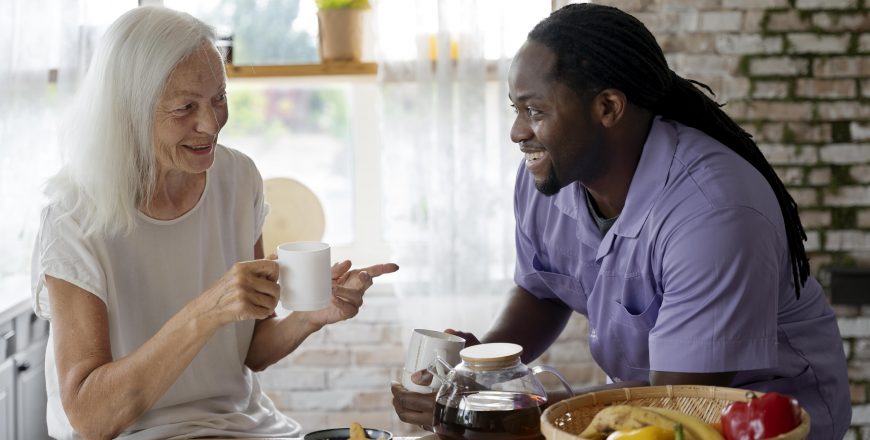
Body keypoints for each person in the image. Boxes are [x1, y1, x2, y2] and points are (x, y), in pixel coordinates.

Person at [391, 4, 850, 439]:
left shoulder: (714, 213)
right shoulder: (549, 176)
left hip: (762, 420)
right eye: (516, 110)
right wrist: (476, 373)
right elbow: (542, 290)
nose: (517, 132)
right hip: (643, 415)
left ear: (608, 107)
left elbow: (676, 399)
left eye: (535, 111)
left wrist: (498, 407)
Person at [31, 6, 398, 440]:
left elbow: (251, 352)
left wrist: (309, 317)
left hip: (246, 428)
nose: (210, 124)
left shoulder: (238, 178)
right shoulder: (74, 214)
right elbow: (92, 418)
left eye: (219, 98)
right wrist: (208, 310)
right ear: (128, 109)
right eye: (185, 107)